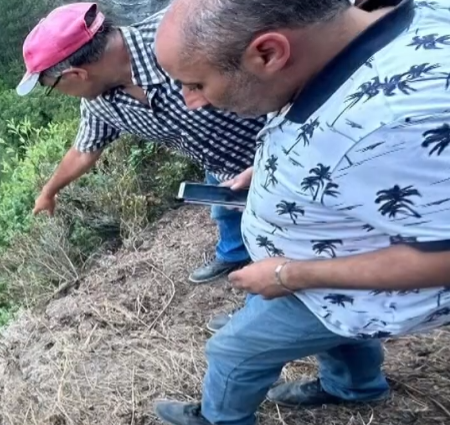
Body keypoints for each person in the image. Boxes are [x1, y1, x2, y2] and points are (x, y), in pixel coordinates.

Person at [149, 0, 450, 425]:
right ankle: (355, 388)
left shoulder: (400, 118)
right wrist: (272, 170)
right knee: (341, 334)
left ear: (268, 53)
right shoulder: (409, 19)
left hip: (347, 283)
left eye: (197, 83)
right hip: (340, 288)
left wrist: (289, 274)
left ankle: (224, 420)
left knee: (233, 349)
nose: (192, 101)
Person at [17, 2, 266, 288]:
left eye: (51, 86)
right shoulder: (99, 102)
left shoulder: (184, 31)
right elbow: (83, 151)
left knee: (278, 232)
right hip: (220, 165)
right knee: (223, 210)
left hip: (278, 148)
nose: (59, 94)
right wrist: (49, 192)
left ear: (76, 75)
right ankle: (233, 254)